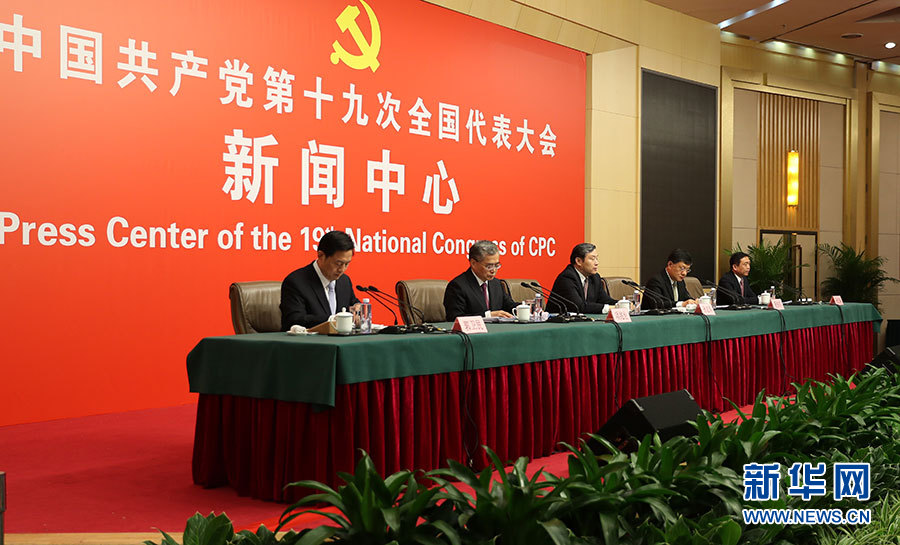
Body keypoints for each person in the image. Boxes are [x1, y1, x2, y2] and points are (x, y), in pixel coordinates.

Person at [280, 230, 360, 330]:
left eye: (346, 264)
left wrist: (357, 309)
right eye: (338, 264)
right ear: (321, 255)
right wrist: (332, 320)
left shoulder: (344, 281)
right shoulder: (296, 282)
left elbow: (353, 304)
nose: (342, 269)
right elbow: (295, 319)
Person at [443, 240, 516, 322]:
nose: (493, 270)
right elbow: (454, 318)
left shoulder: (496, 284)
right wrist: (487, 316)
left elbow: (509, 306)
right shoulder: (457, 286)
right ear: (473, 263)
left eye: (496, 265)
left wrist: (525, 307)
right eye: (489, 266)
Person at [548, 243, 617, 314]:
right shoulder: (567, 278)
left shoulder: (595, 278)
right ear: (578, 261)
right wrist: (611, 308)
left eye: (597, 258)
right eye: (592, 259)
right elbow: (579, 307)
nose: (597, 263)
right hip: (557, 320)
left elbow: (605, 300)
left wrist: (621, 304)